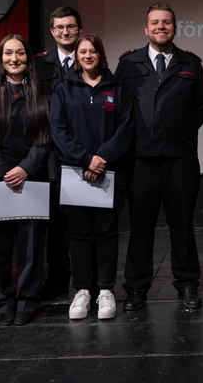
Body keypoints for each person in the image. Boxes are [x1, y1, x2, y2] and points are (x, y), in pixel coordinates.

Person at [117, 3, 203, 311]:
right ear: (146, 29)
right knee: (140, 227)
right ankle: (136, 287)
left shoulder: (191, 63)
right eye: (155, 22)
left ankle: (188, 283)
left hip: (180, 158)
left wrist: (180, 131)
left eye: (166, 22)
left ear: (174, 28)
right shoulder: (128, 64)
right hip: (140, 159)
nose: (161, 27)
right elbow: (119, 108)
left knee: (182, 225)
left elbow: (202, 106)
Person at [51, 34, 133, 320]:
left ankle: (106, 290)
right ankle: (83, 290)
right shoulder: (63, 88)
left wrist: (101, 159)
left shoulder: (118, 88)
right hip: (75, 173)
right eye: (83, 51)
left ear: (101, 54)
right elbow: (58, 130)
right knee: (79, 233)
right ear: (77, 56)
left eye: (93, 51)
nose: (88, 56)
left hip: (109, 172)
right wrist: (86, 159)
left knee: (106, 231)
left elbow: (125, 129)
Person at [0, 34, 51, 325]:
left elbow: (46, 136)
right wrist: (3, 171)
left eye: (20, 53)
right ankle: (2, 301)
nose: (14, 59)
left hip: (31, 179)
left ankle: (28, 299)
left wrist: (26, 168)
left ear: (28, 58)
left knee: (31, 246)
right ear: (0, 58)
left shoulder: (42, 93)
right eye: (8, 53)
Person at [34, 6, 82, 301]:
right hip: (48, 156)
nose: (65, 32)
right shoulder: (38, 65)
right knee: (54, 224)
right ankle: (56, 280)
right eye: (60, 27)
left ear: (79, 29)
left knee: (82, 222)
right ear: (52, 31)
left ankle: (85, 281)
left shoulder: (91, 59)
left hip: (81, 154)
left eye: (71, 26)